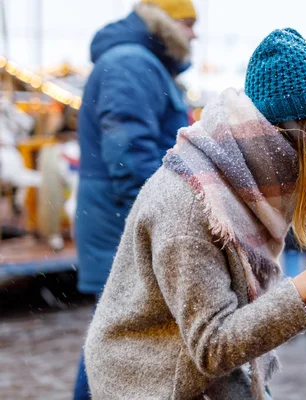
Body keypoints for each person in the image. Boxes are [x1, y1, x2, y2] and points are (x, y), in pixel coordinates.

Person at [84, 28, 306, 400]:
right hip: (155, 384)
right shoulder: (190, 205)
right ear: (282, 125)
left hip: (206, 377)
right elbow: (213, 346)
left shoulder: (247, 179)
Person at [73, 0, 197, 398]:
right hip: (120, 222)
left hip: (119, 218)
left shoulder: (141, 61)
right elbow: (130, 155)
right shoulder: (131, 62)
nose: (195, 33)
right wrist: (163, 216)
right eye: (189, 23)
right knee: (111, 341)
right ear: (166, 22)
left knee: (114, 337)